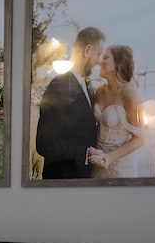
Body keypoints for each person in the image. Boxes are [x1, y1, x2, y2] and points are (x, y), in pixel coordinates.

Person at [35, 26, 106, 179]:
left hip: (82, 177)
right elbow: (44, 145)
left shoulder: (86, 84)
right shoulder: (59, 87)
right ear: (87, 51)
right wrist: (85, 153)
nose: (99, 62)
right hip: (63, 180)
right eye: (98, 55)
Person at [92, 44, 145, 178]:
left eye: (105, 58)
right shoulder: (99, 91)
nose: (100, 62)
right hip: (98, 162)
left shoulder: (130, 94)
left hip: (120, 165)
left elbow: (139, 139)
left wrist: (109, 157)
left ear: (117, 62)